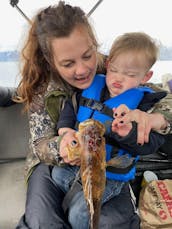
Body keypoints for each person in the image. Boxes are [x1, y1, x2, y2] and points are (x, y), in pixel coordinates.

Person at [15, 2, 172, 229]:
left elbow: (160, 97)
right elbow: (41, 144)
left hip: (108, 166)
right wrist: (63, 144)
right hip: (53, 165)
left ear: (95, 47)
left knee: (102, 222)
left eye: (87, 56)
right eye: (68, 63)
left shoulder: (113, 68)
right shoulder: (42, 88)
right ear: (51, 61)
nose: (82, 69)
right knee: (43, 222)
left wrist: (157, 118)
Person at [52, 32, 166, 228]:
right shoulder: (91, 86)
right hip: (82, 163)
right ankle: (77, 192)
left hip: (110, 174)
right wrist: (65, 131)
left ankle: (119, 196)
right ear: (107, 64)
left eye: (130, 75)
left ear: (146, 77)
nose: (118, 79)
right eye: (114, 70)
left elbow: (151, 144)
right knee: (57, 175)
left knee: (79, 214)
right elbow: (71, 108)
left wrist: (129, 134)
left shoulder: (143, 105)